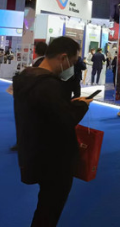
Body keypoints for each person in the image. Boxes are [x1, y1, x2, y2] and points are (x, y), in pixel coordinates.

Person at [13, 37, 92, 228]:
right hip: (54, 159)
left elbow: (44, 110)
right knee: (49, 209)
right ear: (63, 57)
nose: (71, 67)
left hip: (32, 150)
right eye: (72, 62)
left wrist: (65, 105)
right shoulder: (50, 85)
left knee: (45, 206)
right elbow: (65, 120)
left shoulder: (25, 77)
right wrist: (81, 106)